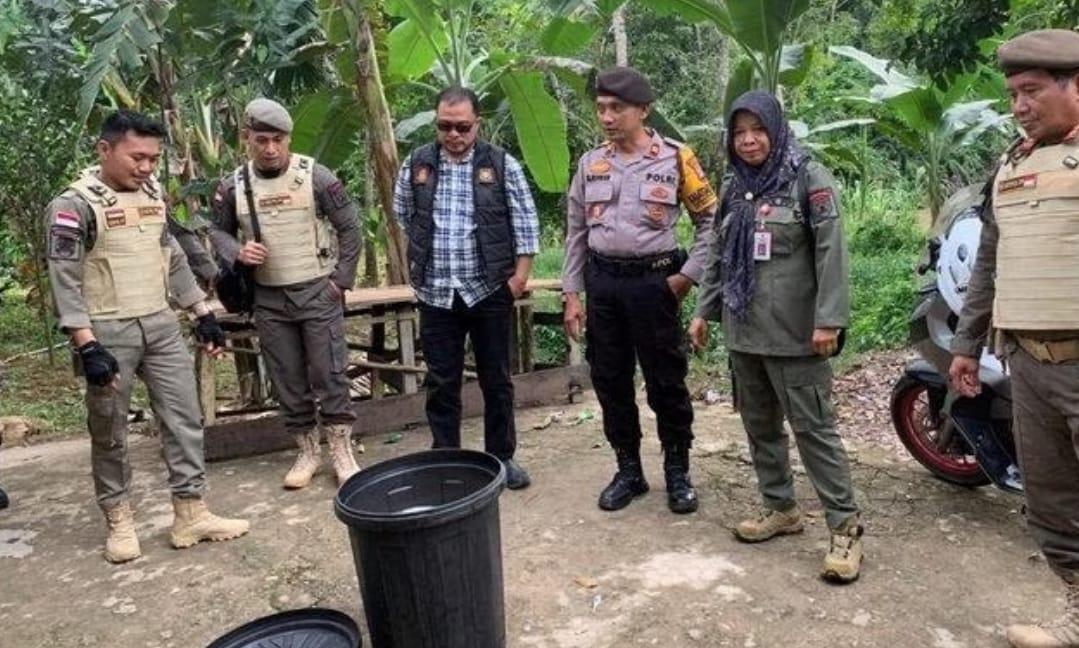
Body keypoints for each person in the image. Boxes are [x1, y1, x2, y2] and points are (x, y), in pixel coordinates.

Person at [45, 110, 249, 563]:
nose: (146, 168)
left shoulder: (152, 194)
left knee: (184, 417)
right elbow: (64, 278)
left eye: (153, 159)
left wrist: (200, 312)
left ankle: (191, 511)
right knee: (110, 428)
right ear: (105, 149)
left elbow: (171, 256)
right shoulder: (73, 205)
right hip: (106, 330)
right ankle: (118, 516)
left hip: (159, 323)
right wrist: (86, 344)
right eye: (137, 157)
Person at [688, 90, 862, 583]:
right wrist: (703, 311)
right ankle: (781, 508)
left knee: (814, 432)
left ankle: (845, 528)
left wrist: (830, 319)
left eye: (757, 130)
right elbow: (720, 252)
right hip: (745, 334)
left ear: (775, 129)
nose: (747, 141)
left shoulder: (808, 178)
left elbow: (832, 252)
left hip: (796, 336)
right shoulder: (733, 185)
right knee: (760, 428)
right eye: (739, 132)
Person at [949, 29, 1079, 648]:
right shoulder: (1014, 163)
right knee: (1053, 510)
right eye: (1013, 94)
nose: (1019, 105)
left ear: (1073, 86)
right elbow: (988, 266)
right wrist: (965, 346)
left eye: (1032, 91)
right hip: (1027, 365)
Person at [562, 67, 717, 514]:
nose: (607, 117)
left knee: (665, 379)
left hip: (655, 283)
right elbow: (575, 231)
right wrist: (573, 294)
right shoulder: (591, 163)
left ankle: (677, 470)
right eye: (601, 109)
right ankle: (628, 469)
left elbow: (711, 221)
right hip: (604, 283)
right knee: (610, 380)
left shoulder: (675, 158)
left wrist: (687, 275)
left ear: (643, 110)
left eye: (617, 109)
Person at [209, 98, 363, 489]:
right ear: (247, 138)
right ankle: (306, 450)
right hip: (268, 298)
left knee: (329, 372)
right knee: (287, 377)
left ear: (288, 138)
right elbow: (217, 232)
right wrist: (237, 252)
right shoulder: (233, 186)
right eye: (262, 140)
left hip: (317, 289)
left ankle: (341, 450)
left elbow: (350, 229)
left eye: (278, 139)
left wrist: (340, 282)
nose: (271, 148)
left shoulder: (317, 177)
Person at [393, 87, 540, 490]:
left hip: (489, 288)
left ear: (478, 123)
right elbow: (404, 213)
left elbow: (526, 221)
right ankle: (446, 458)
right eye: (445, 126)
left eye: (462, 127)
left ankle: (501, 458)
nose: (453, 135)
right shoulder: (418, 164)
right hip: (437, 292)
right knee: (441, 381)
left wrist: (518, 279)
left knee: (496, 378)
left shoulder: (500, 164)